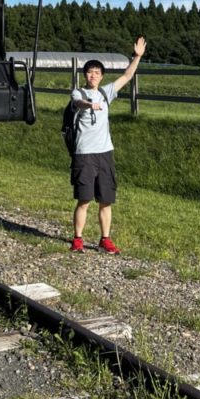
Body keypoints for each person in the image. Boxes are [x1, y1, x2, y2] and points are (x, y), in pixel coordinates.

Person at [69, 36, 147, 254]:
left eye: (97, 72)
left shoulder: (106, 92)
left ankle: (105, 239)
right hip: (84, 154)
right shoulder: (79, 92)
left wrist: (137, 56)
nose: (93, 75)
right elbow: (77, 103)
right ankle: (78, 239)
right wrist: (89, 105)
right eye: (90, 72)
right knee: (84, 199)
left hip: (105, 153)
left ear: (102, 76)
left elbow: (127, 75)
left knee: (106, 200)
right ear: (85, 75)